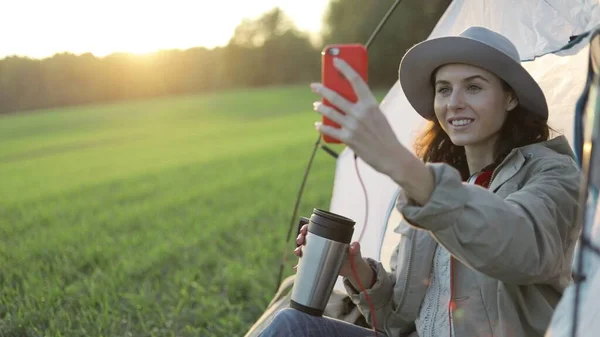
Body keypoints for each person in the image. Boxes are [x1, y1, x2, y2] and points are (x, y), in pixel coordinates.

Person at [258, 26, 581, 337]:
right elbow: (396, 322)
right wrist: (356, 271)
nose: (453, 102)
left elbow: (521, 247)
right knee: (293, 324)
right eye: (444, 89)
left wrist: (402, 165)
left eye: (473, 87)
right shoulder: (433, 186)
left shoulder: (552, 172)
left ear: (510, 98)